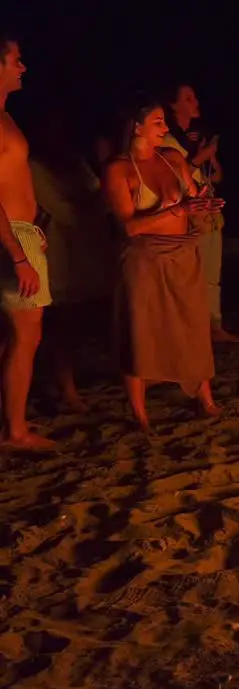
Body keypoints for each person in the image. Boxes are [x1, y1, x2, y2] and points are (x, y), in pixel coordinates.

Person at [102, 99, 223, 432]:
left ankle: (205, 396)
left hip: (182, 254)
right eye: (158, 122)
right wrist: (178, 211)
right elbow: (129, 227)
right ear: (136, 127)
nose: (166, 129)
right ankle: (139, 412)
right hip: (144, 259)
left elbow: (193, 199)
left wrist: (205, 205)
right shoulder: (118, 169)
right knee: (140, 330)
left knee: (193, 325)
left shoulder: (172, 159)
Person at [28, 105, 116, 411]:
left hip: (86, 250)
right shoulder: (35, 165)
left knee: (79, 321)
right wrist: (89, 203)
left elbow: (102, 197)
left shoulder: (75, 161)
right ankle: (65, 389)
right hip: (61, 252)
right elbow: (63, 209)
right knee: (61, 323)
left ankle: (64, 382)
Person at [0, 33, 54, 449]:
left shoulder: (7, 117)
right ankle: (15, 431)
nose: (23, 67)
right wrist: (18, 253)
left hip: (22, 232)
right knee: (26, 334)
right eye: (16, 59)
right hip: (10, 236)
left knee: (17, 334)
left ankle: (13, 425)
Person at [165, 83, 239, 343]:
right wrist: (200, 157)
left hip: (208, 212)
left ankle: (214, 326)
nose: (196, 101)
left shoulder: (198, 136)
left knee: (212, 272)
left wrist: (209, 156)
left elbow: (215, 175)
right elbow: (169, 177)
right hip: (185, 215)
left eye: (195, 96)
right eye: (188, 98)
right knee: (187, 276)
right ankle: (190, 328)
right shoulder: (167, 139)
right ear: (173, 105)